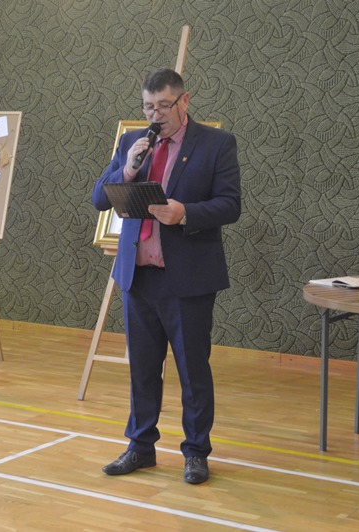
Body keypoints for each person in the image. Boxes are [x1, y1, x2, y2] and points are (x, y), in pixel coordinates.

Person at [92, 68, 241, 484]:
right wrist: (127, 171)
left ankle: (196, 452)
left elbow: (230, 205)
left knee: (192, 370)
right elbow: (99, 197)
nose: (155, 115)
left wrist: (185, 212)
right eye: (148, 107)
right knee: (142, 368)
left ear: (184, 101)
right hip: (138, 277)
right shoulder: (131, 143)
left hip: (187, 278)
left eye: (163, 106)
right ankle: (140, 447)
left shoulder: (216, 144)